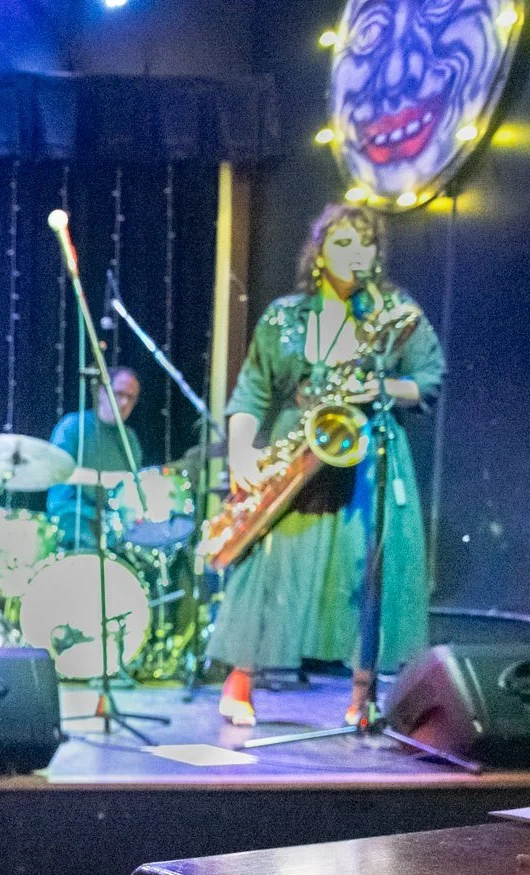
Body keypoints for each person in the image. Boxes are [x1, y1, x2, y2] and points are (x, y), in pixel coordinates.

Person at [208, 203, 443, 726]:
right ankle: (240, 679)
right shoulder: (285, 315)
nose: (355, 253)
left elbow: (428, 379)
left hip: (368, 448)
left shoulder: (396, 311)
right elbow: (252, 391)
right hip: (300, 445)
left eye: (365, 243)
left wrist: (379, 386)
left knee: (368, 564)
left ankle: (362, 695)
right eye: (342, 243)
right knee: (269, 560)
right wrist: (242, 450)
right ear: (318, 254)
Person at [43, 366, 143, 551]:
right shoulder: (73, 425)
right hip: (72, 516)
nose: (124, 403)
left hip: (112, 523)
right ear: (101, 392)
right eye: (119, 394)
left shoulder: (130, 439)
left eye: (131, 398)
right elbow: (56, 471)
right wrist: (105, 479)